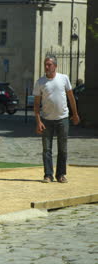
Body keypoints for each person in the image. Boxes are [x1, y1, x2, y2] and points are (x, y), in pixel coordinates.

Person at [33, 55, 80, 183]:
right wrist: (38, 121)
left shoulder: (64, 79)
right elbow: (36, 104)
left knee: (62, 148)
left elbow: (71, 98)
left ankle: (61, 174)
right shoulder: (40, 82)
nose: (47, 67)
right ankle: (48, 175)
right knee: (46, 149)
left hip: (62, 119)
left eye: (49, 64)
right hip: (46, 119)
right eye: (45, 64)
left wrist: (75, 114)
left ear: (55, 66)